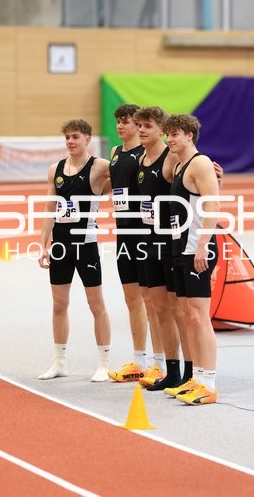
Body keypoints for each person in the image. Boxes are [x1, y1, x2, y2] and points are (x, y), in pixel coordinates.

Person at [37, 119, 112, 382]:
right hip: (60, 244)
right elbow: (49, 209)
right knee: (59, 304)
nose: (70, 142)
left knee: (96, 304)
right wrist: (43, 245)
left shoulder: (100, 166)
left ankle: (103, 363)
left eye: (75, 137)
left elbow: (126, 177)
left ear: (88, 139)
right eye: (67, 137)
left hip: (86, 243)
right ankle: (59, 362)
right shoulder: (54, 169)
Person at [162, 114, 221, 405]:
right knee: (188, 316)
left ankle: (209, 383)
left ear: (190, 136)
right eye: (168, 135)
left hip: (198, 247)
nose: (169, 139)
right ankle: (196, 378)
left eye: (175, 134)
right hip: (182, 247)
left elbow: (213, 204)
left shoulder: (200, 163)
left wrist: (203, 245)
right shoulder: (180, 164)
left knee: (199, 316)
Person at [106, 104, 164, 385]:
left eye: (126, 122)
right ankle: (139, 361)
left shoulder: (146, 154)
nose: (121, 126)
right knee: (132, 300)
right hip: (123, 233)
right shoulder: (115, 153)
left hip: (145, 234)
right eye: (118, 121)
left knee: (152, 302)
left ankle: (160, 362)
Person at [133, 106, 187, 391]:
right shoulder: (141, 158)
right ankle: (172, 370)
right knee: (158, 309)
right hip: (148, 241)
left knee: (178, 310)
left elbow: (195, 177)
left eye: (148, 126)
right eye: (139, 125)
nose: (141, 130)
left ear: (161, 131)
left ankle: (191, 371)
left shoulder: (171, 157)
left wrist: (217, 179)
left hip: (170, 242)